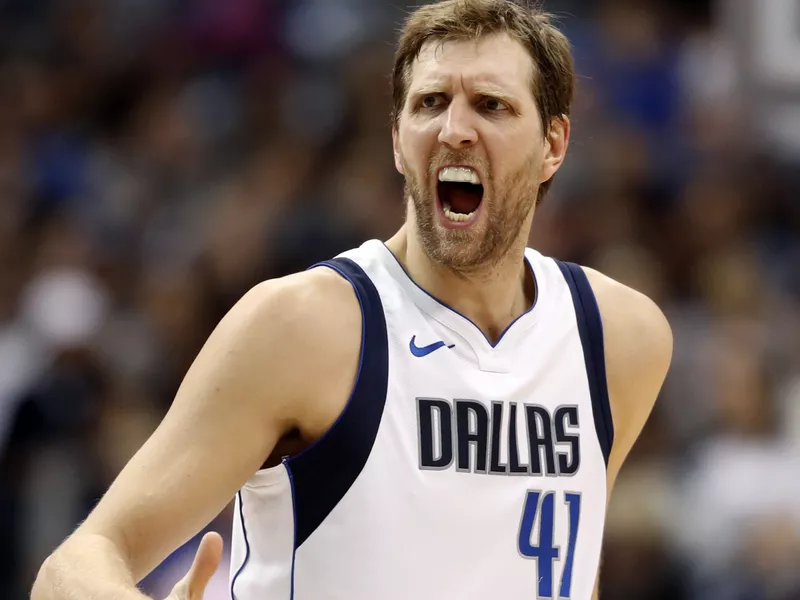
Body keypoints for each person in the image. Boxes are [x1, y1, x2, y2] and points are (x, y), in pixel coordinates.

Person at [30, 0, 672, 599]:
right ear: (398, 140)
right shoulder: (303, 325)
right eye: (429, 103)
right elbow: (76, 562)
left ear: (553, 145)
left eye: (491, 105)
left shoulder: (621, 339)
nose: (454, 129)